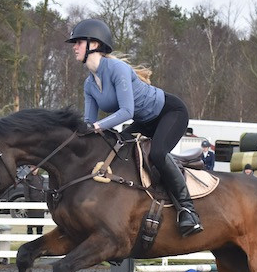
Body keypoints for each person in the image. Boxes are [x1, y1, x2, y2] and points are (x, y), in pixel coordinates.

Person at [66, 18, 202, 237]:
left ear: (95, 44)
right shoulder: (89, 84)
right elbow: (89, 123)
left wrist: (98, 126)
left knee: (157, 154)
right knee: (119, 152)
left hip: (170, 113)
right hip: (145, 121)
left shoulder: (117, 69)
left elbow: (126, 112)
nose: (74, 47)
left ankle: (188, 211)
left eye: (78, 42)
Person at [23, 167, 45, 236]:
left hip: (40, 203)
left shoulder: (40, 178)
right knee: (30, 224)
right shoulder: (28, 178)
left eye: (36, 168)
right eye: (32, 168)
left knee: (40, 224)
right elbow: (26, 192)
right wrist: (28, 203)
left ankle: (39, 236)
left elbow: (42, 190)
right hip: (32, 203)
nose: (34, 170)